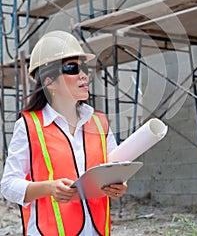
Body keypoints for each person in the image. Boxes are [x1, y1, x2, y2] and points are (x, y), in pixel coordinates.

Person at [1, 30, 127, 236]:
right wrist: (49, 188)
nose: (84, 74)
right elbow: (8, 186)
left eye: (84, 67)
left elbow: (113, 169)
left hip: (96, 230)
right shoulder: (29, 125)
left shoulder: (99, 122)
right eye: (73, 68)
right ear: (50, 82)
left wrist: (119, 186)